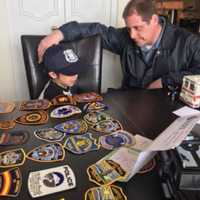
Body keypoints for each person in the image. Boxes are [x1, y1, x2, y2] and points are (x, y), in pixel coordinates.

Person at [38, 0, 200, 90]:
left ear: (155, 20)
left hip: (166, 110)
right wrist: (59, 33)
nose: (132, 35)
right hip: (130, 105)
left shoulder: (188, 42)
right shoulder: (125, 37)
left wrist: (167, 80)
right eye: (129, 28)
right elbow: (95, 29)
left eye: (138, 28)